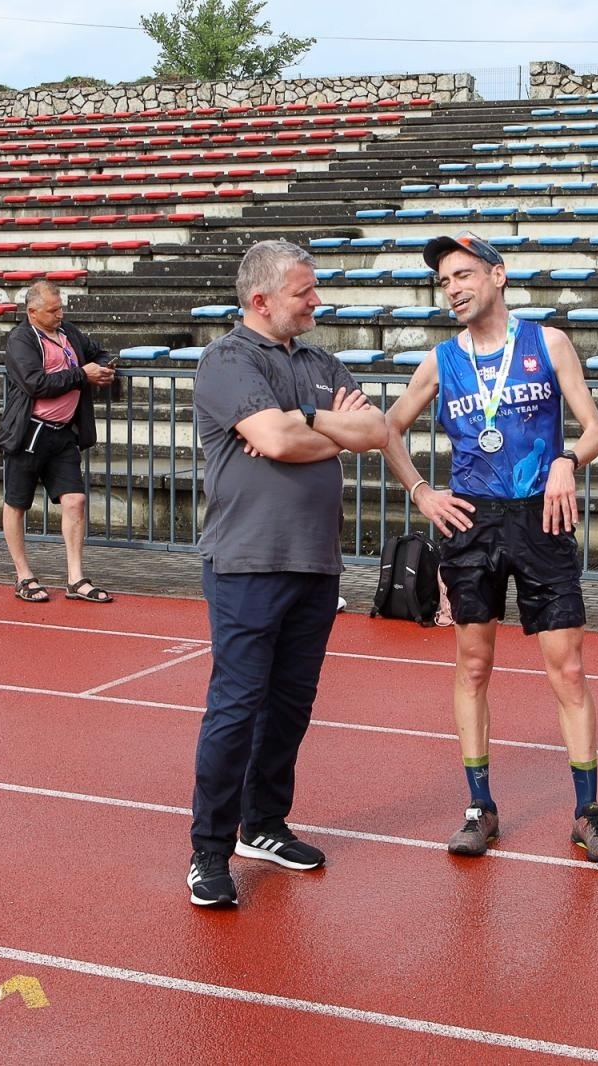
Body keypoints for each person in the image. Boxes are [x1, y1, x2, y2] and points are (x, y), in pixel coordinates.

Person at [381, 231, 598, 864]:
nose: (453, 289)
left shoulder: (548, 343)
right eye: (443, 281)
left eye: (463, 275)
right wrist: (421, 493)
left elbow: (596, 428)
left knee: (567, 668)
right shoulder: (440, 360)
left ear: (498, 275)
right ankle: (480, 806)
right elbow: (388, 430)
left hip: (541, 513)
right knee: (473, 665)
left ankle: (588, 814)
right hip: (470, 523)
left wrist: (569, 459)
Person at [187, 239, 388, 907]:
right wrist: (316, 428)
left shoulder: (318, 360)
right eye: (305, 291)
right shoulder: (226, 361)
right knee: (236, 710)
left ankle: (264, 824)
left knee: (290, 708)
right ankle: (209, 850)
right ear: (261, 300)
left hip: (315, 562)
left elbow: (375, 432)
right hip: (248, 562)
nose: (317, 301)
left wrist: (302, 420)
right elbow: (276, 442)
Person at [0, 279, 116, 605]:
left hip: (63, 433)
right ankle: (23, 575)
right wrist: (83, 375)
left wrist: (104, 368)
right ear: (32, 312)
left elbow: (98, 353)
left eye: (61, 307)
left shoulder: (68, 333)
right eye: (53, 310)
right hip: (29, 432)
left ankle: (76, 578)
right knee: (17, 502)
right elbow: (36, 384)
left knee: (75, 500)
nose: (60, 314)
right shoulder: (20, 340)